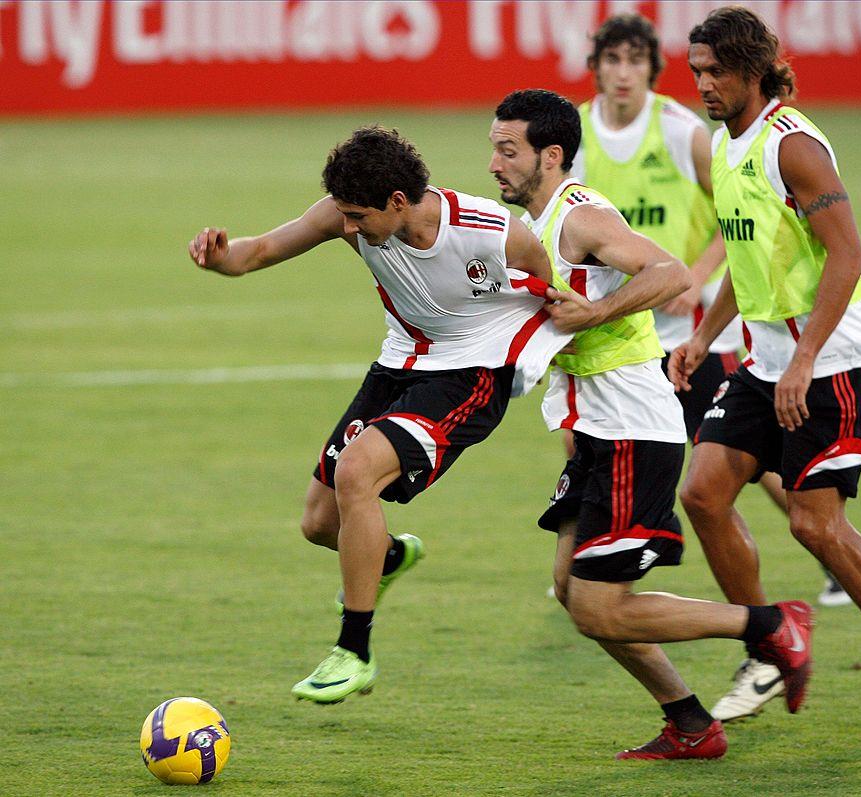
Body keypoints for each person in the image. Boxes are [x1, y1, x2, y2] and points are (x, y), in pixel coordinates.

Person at [187, 126, 573, 705]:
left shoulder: (489, 231)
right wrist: (221, 259)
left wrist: (539, 356)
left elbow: (547, 288)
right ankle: (388, 555)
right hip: (399, 365)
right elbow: (258, 251)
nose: (346, 228)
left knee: (356, 472)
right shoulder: (344, 214)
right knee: (320, 524)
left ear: (397, 201)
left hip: (471, 374)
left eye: (357, 217)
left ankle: (354, 651)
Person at [490, 88, 815, 761]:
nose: (494, 163)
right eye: (493, 148)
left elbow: (670, 273)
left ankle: (770, 624)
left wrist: (594, 314)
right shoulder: (533, 222)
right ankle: (691, 722)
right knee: (572, 591)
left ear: (550, 156)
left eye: (507, 150)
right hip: (596, 428)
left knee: (600, 607)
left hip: (632, 427)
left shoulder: (581, 215)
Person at [671, 6, 861, 735]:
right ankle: (768, 648)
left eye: (716, 71)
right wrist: (704, 336)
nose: (703, 84)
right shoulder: (725, 144)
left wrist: (803, 361)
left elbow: (849, 254)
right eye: (697, 71)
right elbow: (750, 260)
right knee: (703, 493)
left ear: (752, 71)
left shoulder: (792, 145)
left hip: (832, 362)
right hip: (768, 363)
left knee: (815, 524)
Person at [573, 12, 851, 625]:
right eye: (612, 60)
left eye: (636, 60)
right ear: (595, 68)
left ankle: (824, 548)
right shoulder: (578, 135)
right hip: (621, 328)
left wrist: (694, 277)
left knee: (733, 455)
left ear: (652, 69)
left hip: (686, 328)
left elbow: (736, 220)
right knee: (587, 437)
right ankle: (588, 559)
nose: (623, 73)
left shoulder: (684, 132)